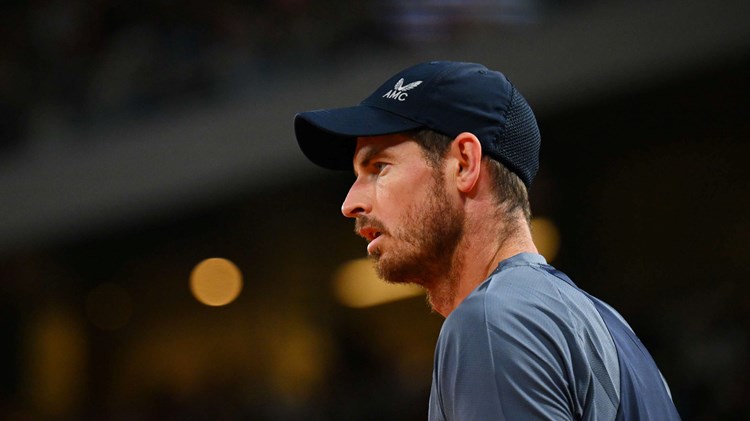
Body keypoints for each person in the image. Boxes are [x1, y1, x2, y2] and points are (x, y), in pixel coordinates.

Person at [294, 61, 681, 420]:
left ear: (464, 163)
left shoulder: (493, 321)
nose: (350, 203)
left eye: (379, 167)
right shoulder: (609, 324)